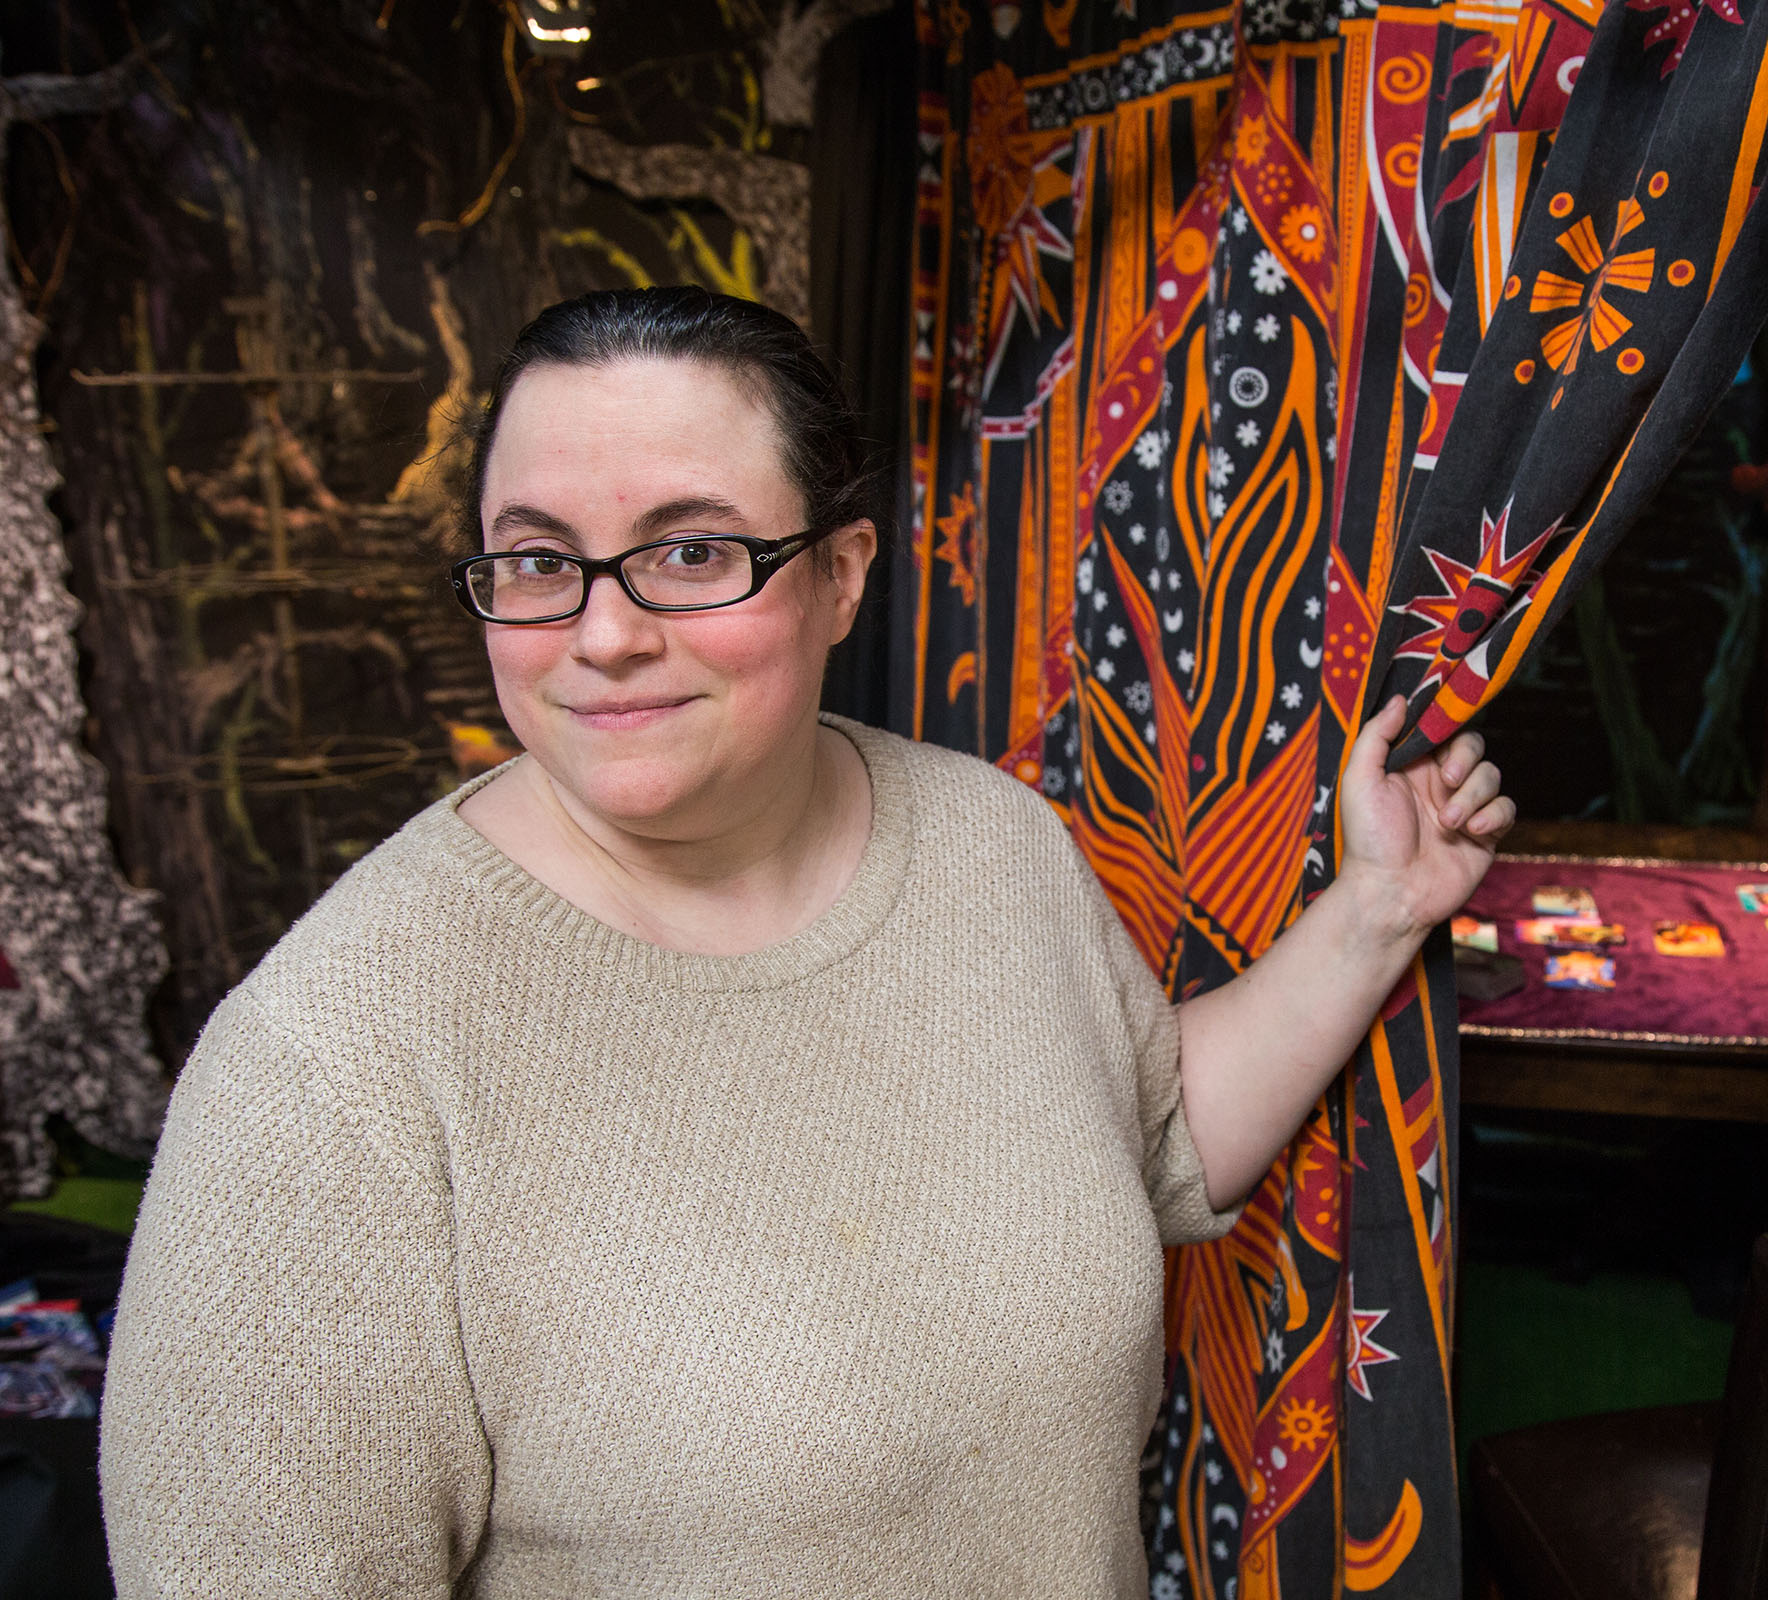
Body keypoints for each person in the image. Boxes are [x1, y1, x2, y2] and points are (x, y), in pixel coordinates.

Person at [97, 287, 1514, 1598]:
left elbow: (1152, 1142)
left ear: (841, 575)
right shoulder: (333, 1063)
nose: (603, 634)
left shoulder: (987, 844)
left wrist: (1377, 909)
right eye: (539, 562)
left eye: (692, 550)